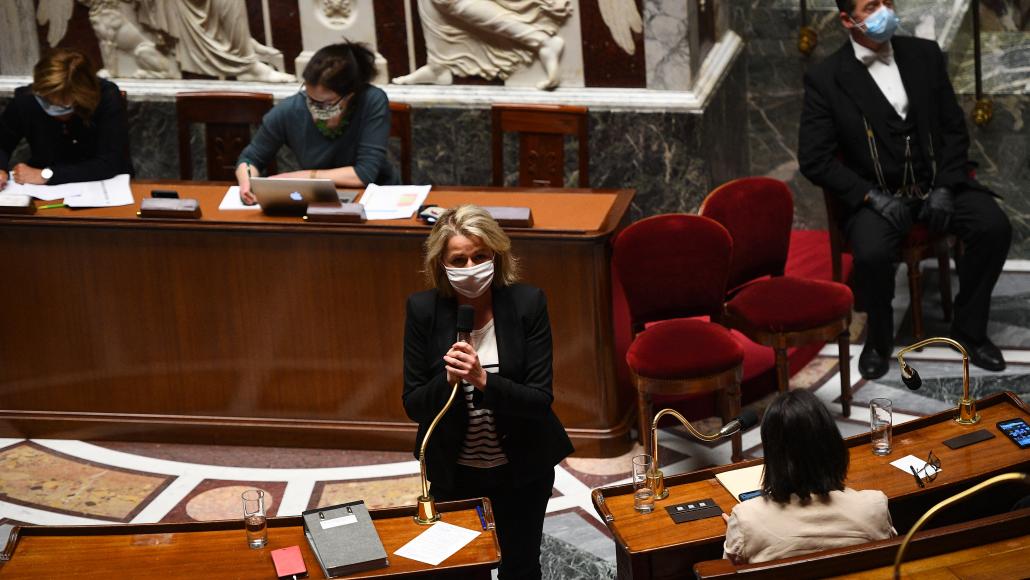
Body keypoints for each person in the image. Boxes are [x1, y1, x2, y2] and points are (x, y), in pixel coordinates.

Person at [798, 0, 1011, 380]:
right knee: (872, 252)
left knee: (993, 226)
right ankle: (878, 340)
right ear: (848, 20)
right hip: (877, 196)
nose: (884, 10)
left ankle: (969, 331)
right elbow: (814, 159)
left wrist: (946, 186)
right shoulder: (827, 78)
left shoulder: (924, 55)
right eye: (870, 6)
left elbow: (952, 130)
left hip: (934, 185)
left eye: (886, 1)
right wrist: (870, 197)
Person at [402, 205, 573, 580]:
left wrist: (484, 380)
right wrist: (447, 380)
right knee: (464, 568)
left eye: (480, 256)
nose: (470, 267)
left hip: (522, 468)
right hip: (455, 473)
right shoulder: (423, 310)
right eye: (458, 259)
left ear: (496, 255)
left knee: (521, 567)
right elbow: (414, 404)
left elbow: (540, 400)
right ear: (441, 265)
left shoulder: (527, 304)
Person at [722, 390, 895, 564]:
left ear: (773, 456)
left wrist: (740, 529)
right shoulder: (874, 507)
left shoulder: (746, 520)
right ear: (833, 443)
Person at [236, 42, 399, 204]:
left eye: (325, 103)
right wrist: (247, 183)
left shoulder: (371, 101)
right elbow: (250, 158)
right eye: (309, 98)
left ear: (350, 95)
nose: (314, 106)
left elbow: (364, 174)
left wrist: (297, 177)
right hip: (317, 199)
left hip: (376, 198)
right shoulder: (290, 110)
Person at [0, 47, 131, 188]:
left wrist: (47, 175)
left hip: (104, 186)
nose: (52, 107)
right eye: (46, 100)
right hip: (42, 190)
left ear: (83, 96)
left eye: (62, 105)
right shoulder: (28, 98)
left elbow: (110, 162)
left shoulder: (106, 97)